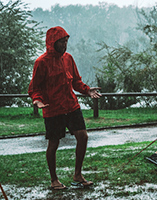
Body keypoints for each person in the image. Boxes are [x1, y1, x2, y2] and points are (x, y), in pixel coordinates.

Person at [28, 26, 101, 190]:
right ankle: (54, 180)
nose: (64, 45)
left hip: (71, 105)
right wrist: (37, 101)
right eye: (61, 42)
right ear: (52, 43)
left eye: (66, 41)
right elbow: (35, 88)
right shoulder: (41, 62)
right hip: (52, 109)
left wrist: (87, 90)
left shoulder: (68, 58)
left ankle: (77, 176)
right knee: (53, 144)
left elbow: (75, 81)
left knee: (83, 137)